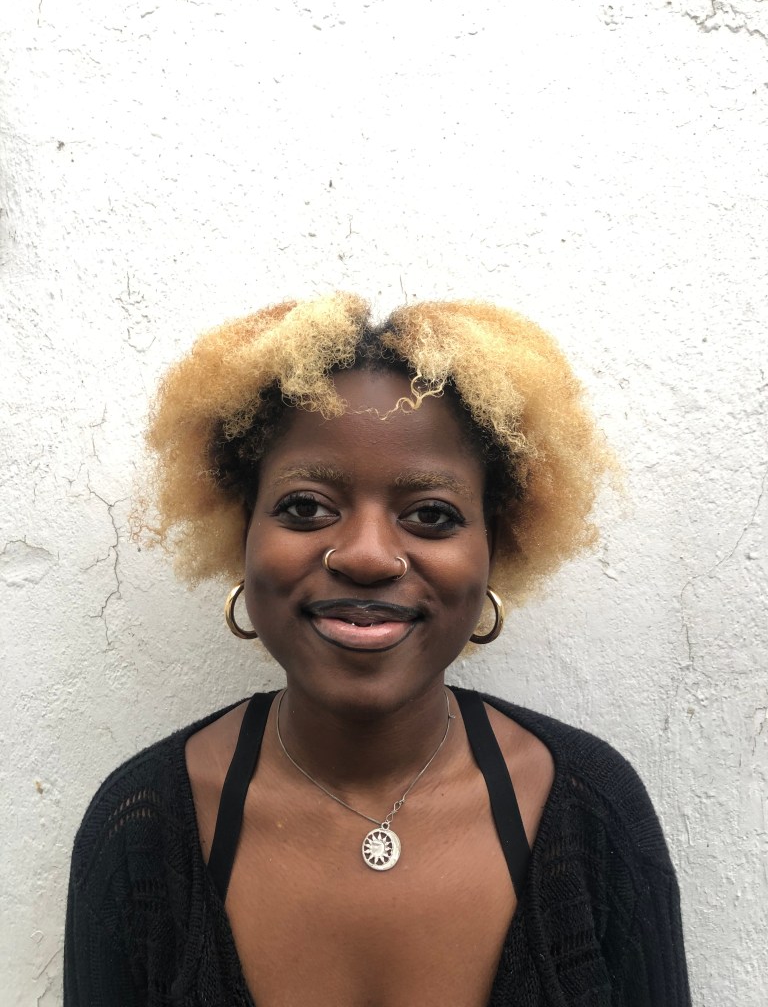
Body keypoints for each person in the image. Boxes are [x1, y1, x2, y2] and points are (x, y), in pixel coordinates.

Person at [64, 293, 690, 1006]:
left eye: (432, 515)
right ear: (241, 534)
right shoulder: (140, 829)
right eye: (306, 507)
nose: (366, 556)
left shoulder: (591, 810)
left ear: (497, 545)